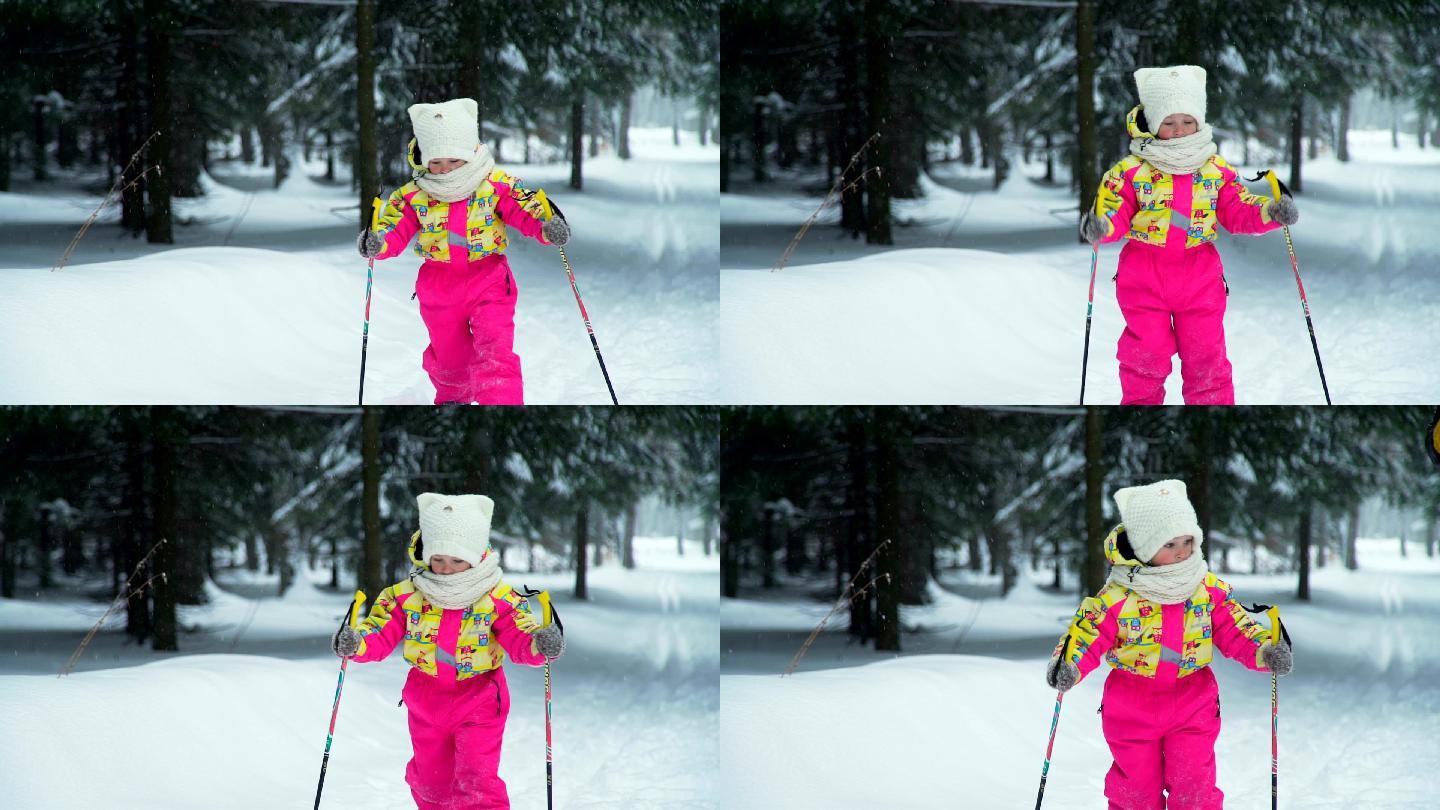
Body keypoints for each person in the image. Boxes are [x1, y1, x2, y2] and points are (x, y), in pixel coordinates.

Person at [1046, 480, 1292, 809]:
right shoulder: (1117, 596)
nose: (1181, 550)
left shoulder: (1207, 588)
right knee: (1135, 791)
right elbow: (1088, 632)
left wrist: (1265, 650)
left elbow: (1236, 627)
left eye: (1187, 540)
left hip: (1193, 701)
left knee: (1194, 786)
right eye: (1169, 543)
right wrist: (1069, 663)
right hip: (1130, 704)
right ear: (1145, 547)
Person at [1080, 66, 1299, 405]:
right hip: (1143, 277)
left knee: (1206, 356)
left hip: (1200, 278)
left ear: (1199, 122)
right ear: (1153, 125)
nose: (1178, 130)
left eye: (1187, 121)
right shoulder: (1130, 172)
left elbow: (1237, 209)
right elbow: (1115, 210)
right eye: (1168, 122)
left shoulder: (1217, 169)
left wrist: (1270, 212)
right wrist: (1102, 226)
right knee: (1145, 355)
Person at [331, 492, 565, 810]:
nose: (445, 569)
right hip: (426, 701)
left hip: (481, 700)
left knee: (477, 783)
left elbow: (520, 639)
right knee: (431, 784)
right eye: (438, 558)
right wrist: (355, 644)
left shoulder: (499, 598)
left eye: (457, 560)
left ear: (477, 556)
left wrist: (540, 645)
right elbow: (379, 636)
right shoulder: (402, 596)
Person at [357, 98, 571, 405]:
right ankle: (454, 401)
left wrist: (547, 227)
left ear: (470, 153)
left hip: (490, 280)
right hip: (439, 288)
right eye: (436, 161)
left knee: (495, 352)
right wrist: (378, 241)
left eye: (453, 160)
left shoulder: (497, 185)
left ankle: (500, 404)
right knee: (450, 362)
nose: (444, 169)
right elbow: (393, 226)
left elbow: (526, 209)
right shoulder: (413, 195)